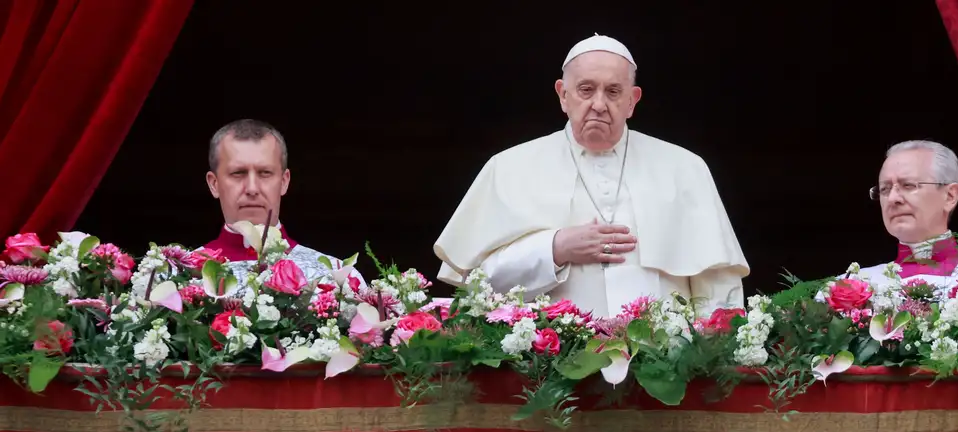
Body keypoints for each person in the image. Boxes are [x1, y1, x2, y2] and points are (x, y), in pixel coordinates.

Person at [433, 34, 749, 318]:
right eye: (586, 89)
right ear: (563, 94)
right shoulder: (507, 167)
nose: (599, 104)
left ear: (632, 100)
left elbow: (718, 291)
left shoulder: (685, 168)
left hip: (666, 367)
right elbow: (478, 287)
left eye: (613, 91)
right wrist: (554, 248)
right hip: (546, 371)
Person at [202, 119, 360, 287]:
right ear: (214, 184)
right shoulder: (179, 276)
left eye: (265, 173)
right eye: (238, 173)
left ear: (284, 182)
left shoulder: (338, 279)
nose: (252, 188)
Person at [856, 139, 958, 292]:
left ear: (950, 196)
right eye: (884, 189)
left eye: (908, 185)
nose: (892, 198)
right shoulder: (856, 287)